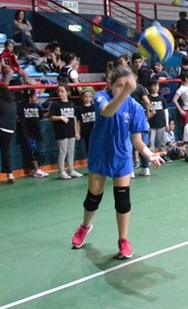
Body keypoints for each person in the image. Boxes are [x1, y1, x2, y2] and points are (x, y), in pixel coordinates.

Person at [69, 65, 164, 258]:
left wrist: (149, 154)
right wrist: (125, 92)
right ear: (110, 85)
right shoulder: (100, 97)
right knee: (93, 198)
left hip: (121, 157)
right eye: (119, 85)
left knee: (122, 200)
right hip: (100, 154)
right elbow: (107, 112)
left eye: (126, 86)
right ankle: (85, 226)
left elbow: (137, 140)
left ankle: (123, 241)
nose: (122, 89)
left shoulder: (136, 107)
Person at [48, 84, 81, 180]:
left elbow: (74, 118)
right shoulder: (56, 104)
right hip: (61, 131)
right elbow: (51, 117)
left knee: (71, 151)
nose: (60, 93)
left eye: (62, 91)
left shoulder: (72, 104)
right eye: (58, 91)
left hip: (71, 131)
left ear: (68, 92)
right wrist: (60, 117)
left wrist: (76, 131)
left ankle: (71, 170)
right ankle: (61, 171)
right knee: (63, 151)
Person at [16, 87, 48, 178]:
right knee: (33, 150)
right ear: (30, 97)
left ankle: (35, 169)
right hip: (27, 132)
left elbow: (41, 116)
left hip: (36, 131)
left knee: (36, 151)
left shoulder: (37, 106)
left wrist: (50, 112)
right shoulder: (20, 106)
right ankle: (36, 169)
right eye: (34, 95)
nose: (36, 96)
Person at [147, 79, 168, 155]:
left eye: (157, 85)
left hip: (161, 123)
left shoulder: (162, 98)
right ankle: (151, 156)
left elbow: (165, 110)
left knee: (162, 142)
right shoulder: (147, 98)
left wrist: (167, 123)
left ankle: (163, 155)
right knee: (150, 142)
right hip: (151, 124)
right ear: (149, 87)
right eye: (154, 86)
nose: (156, 87)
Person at [77, 87, 96, 155]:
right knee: (88, 146)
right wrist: (77, 132)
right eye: (85, 96)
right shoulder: (79, 108)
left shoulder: (95, 107)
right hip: (86, 131)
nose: (87, 98)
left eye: (89, 96)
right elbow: (78, 122)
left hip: (95, 130)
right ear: (82, 97)